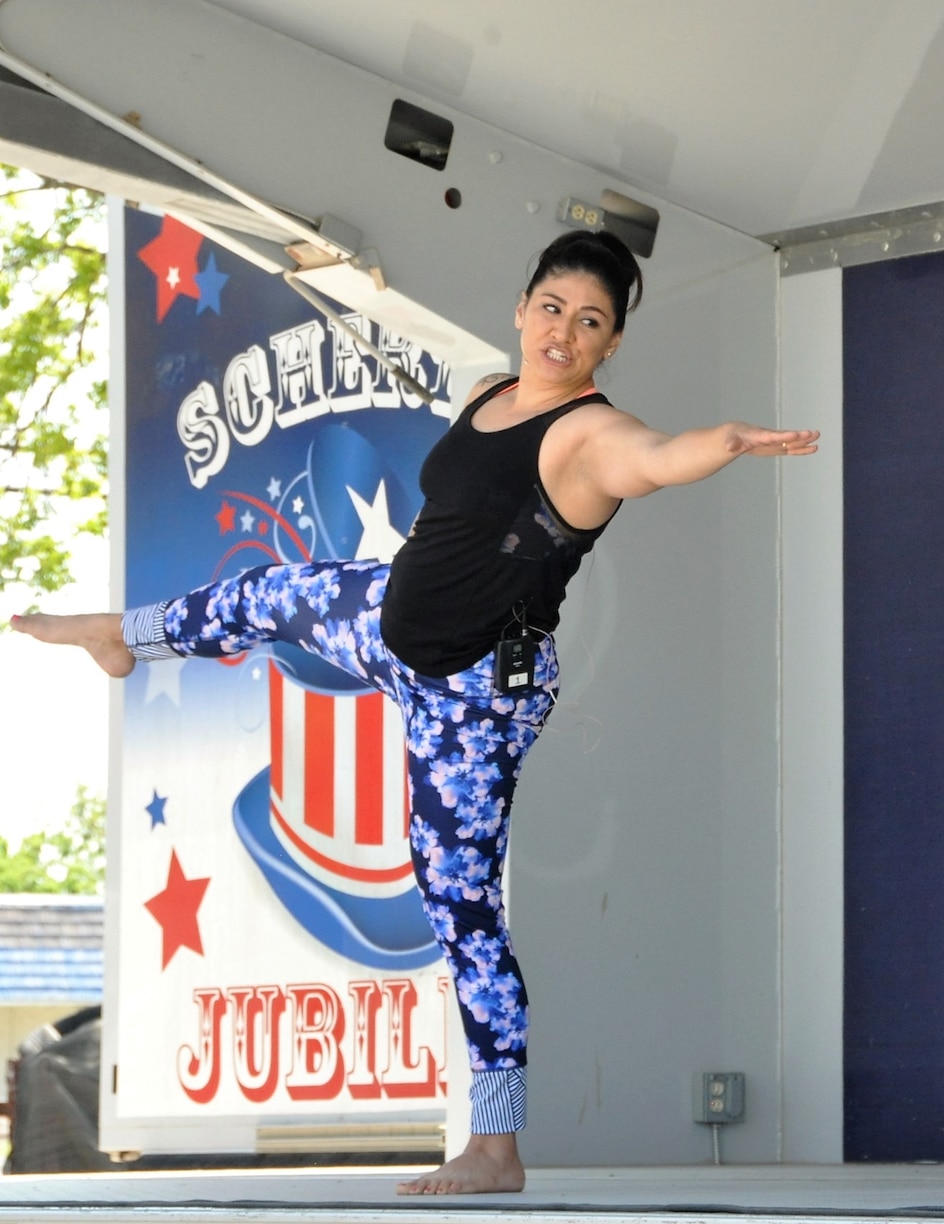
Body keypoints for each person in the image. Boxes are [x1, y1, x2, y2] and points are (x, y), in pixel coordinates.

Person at [12, 229, 818, 1196]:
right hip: (388, 621)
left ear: (610, 346)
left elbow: (655, 455)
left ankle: (497, 1147)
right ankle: (120, 634)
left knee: (460, 910)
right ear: (523, 310)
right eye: (553, 308)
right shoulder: (487, 398)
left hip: (471, 692)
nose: (565, 331)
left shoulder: (589, 436)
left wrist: (721, 443)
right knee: (269, 594)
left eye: (591, 322)